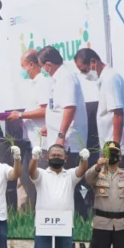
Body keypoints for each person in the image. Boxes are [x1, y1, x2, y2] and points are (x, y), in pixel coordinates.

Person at [27, 142, 89, 248]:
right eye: (53, 155)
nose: (56, 157)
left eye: (59, 155)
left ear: (65, 158)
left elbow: (82, 170)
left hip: (64, 225)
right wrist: (34, 158)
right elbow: (31, 172)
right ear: (47, 157)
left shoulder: (70, 175)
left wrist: (84, 159)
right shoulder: (41, 173)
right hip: (44, 225)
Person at [38, 46, 91, 219]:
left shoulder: (66, 77)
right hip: (60, 138)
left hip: (69, 142)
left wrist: (60, 135)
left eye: (42, 67)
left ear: (48, 65)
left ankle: (80, 222)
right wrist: (50, 125)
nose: (44, 71)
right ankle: (71, 221)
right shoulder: (58, 78)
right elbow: (58, 108)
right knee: (65, 187)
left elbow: (70, 108)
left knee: (70, 187)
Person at [6, 49, 52, 211]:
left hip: (42, 141)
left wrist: (21, 115)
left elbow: (45, 110)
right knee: (25, 178)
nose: (22, 70)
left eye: (23, 66)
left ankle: (43, 213)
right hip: (30, 140)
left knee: (38, 179)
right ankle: (31, 212)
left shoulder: (43, 83)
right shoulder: (31, 85)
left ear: (32, 65)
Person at [75, 48, 124, 163]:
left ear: (93, 62)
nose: (84, 74)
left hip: (117, 146)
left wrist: (115, 147)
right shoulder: (105, 78)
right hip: (110, 143)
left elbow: (118, 114)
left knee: (116, 179)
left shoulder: (110, 79)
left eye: (84, 70)